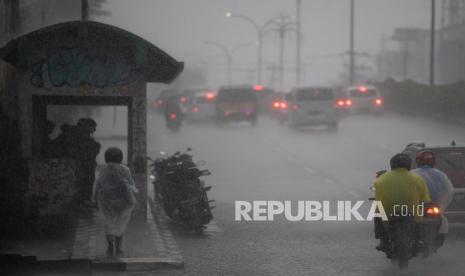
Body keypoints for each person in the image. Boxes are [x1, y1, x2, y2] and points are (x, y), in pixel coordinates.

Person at [374, 153, 431, 250]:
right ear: (408, 165)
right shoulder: (417, 178)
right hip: (412, 210)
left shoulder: (382, 179)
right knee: (420, 222)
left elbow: (378, 197)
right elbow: (425, 198)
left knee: (378, 216)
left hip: (389, 210)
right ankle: (419, 240)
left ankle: (382, 241)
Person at [92, 147, 138, 256]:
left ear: (106, 157)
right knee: (120, 224)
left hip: (107, 201)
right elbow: (131, 184)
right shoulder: (125, 169)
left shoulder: (103, 169)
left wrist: (94, 199)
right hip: (123, 201)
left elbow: (97, 185)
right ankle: (118, 248)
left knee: (109, 223)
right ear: (120, 157)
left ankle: (110, 246)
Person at [411, 151, 454, 246]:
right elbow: (449, 191)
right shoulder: (441, 174)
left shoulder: (412, 174)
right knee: (442, 221)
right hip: (432, 206)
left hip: (414, 206)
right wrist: (441, 206)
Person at [75, 118, 101, 204]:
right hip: (85, 165)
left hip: (86, 164)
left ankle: (85, 199)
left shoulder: (82, 138)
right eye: (93, 127)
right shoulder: (83, 138)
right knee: (86, 181)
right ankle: (85, 200)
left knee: (87, 181)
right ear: (87, 127)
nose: (95, 129)